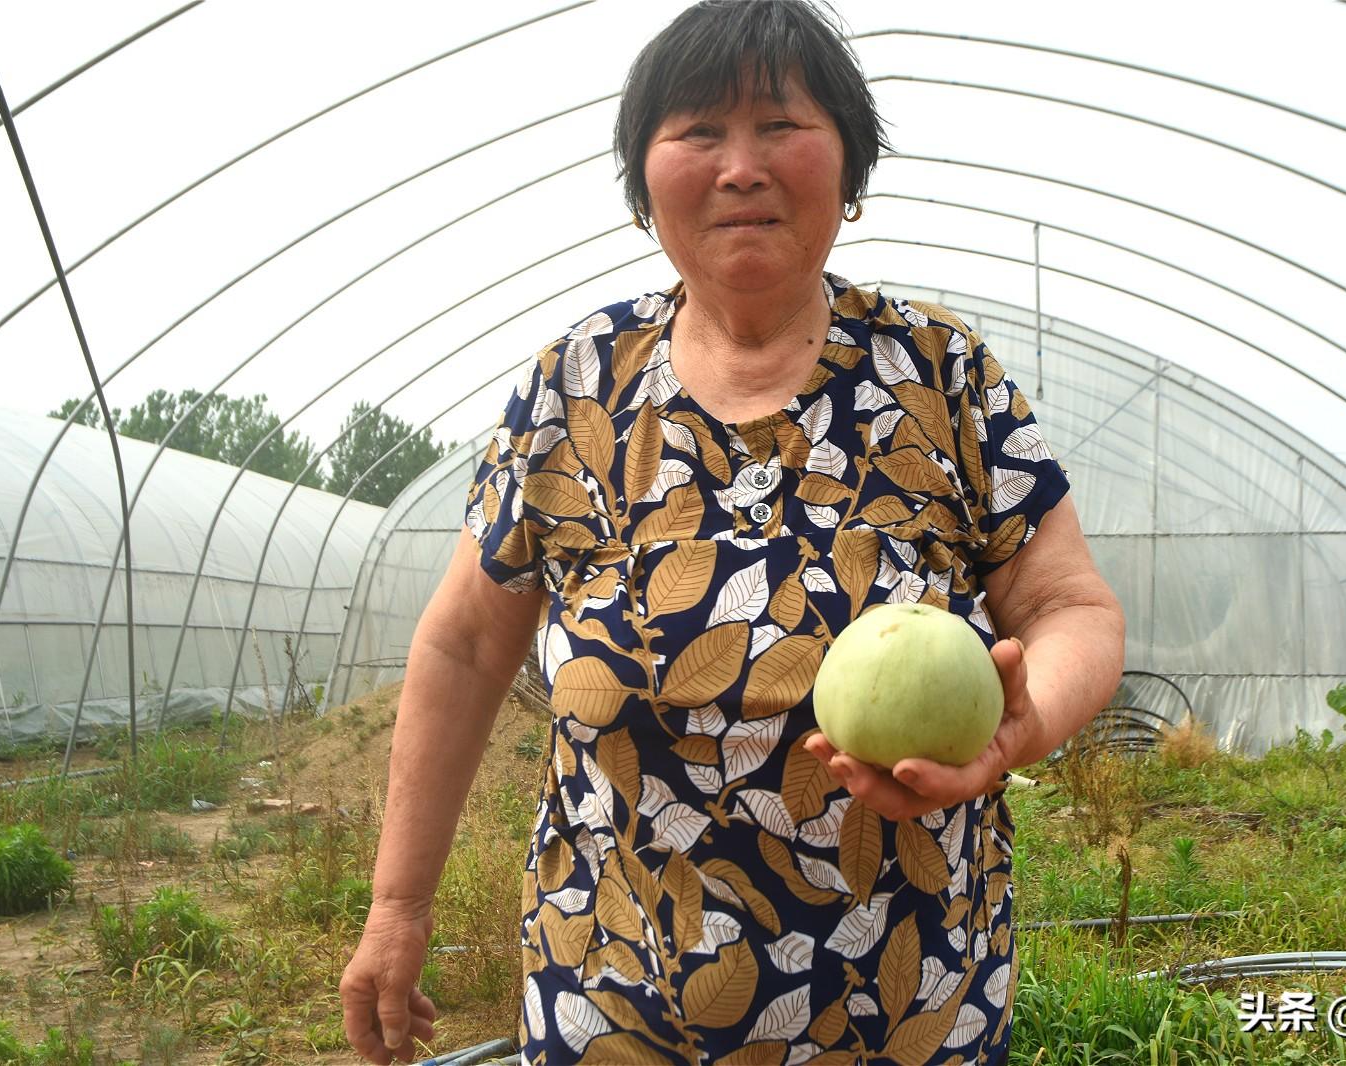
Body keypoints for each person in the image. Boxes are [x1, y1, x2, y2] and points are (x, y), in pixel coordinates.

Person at [341, 2, 1125, 1062]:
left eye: (781, 126)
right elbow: (465, 642)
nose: (740, 166)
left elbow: (1067, 605)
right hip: (616, 981)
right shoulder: (576, 387)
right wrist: (398, 905)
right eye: (697, 132)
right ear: (641, 182)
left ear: (848, 170)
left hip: (902, 996)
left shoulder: (940, 375)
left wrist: (1019, 727)